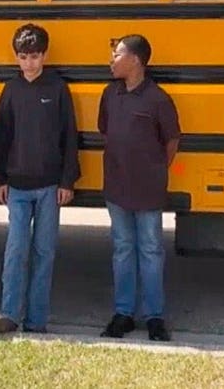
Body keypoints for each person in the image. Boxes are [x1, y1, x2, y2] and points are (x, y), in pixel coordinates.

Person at [0, 23, 79, 334]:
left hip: (50, 186)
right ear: (16, 58)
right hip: (17, 187)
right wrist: (0, 178)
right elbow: (0, 137)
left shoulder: (57, 89)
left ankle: (37, 320)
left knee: (45, 252)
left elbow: (69, 137)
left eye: (35, 56)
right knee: (16, 250)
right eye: (24, 57)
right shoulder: (11, 90)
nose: (30, 63)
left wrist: (67, 181)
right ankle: (9, 313)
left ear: (45, 55)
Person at [97, 34, 180, 342]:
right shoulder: (110, 94)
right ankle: (123, 314)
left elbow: (171, 141)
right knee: (122, 250)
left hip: (148, 189)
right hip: (117, 188)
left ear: (135, 60)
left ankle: (154, 316)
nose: (111, 61)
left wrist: (155, 168)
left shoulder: (158, 99)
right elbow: (106, 130)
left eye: (116, 55)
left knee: (151, 250)